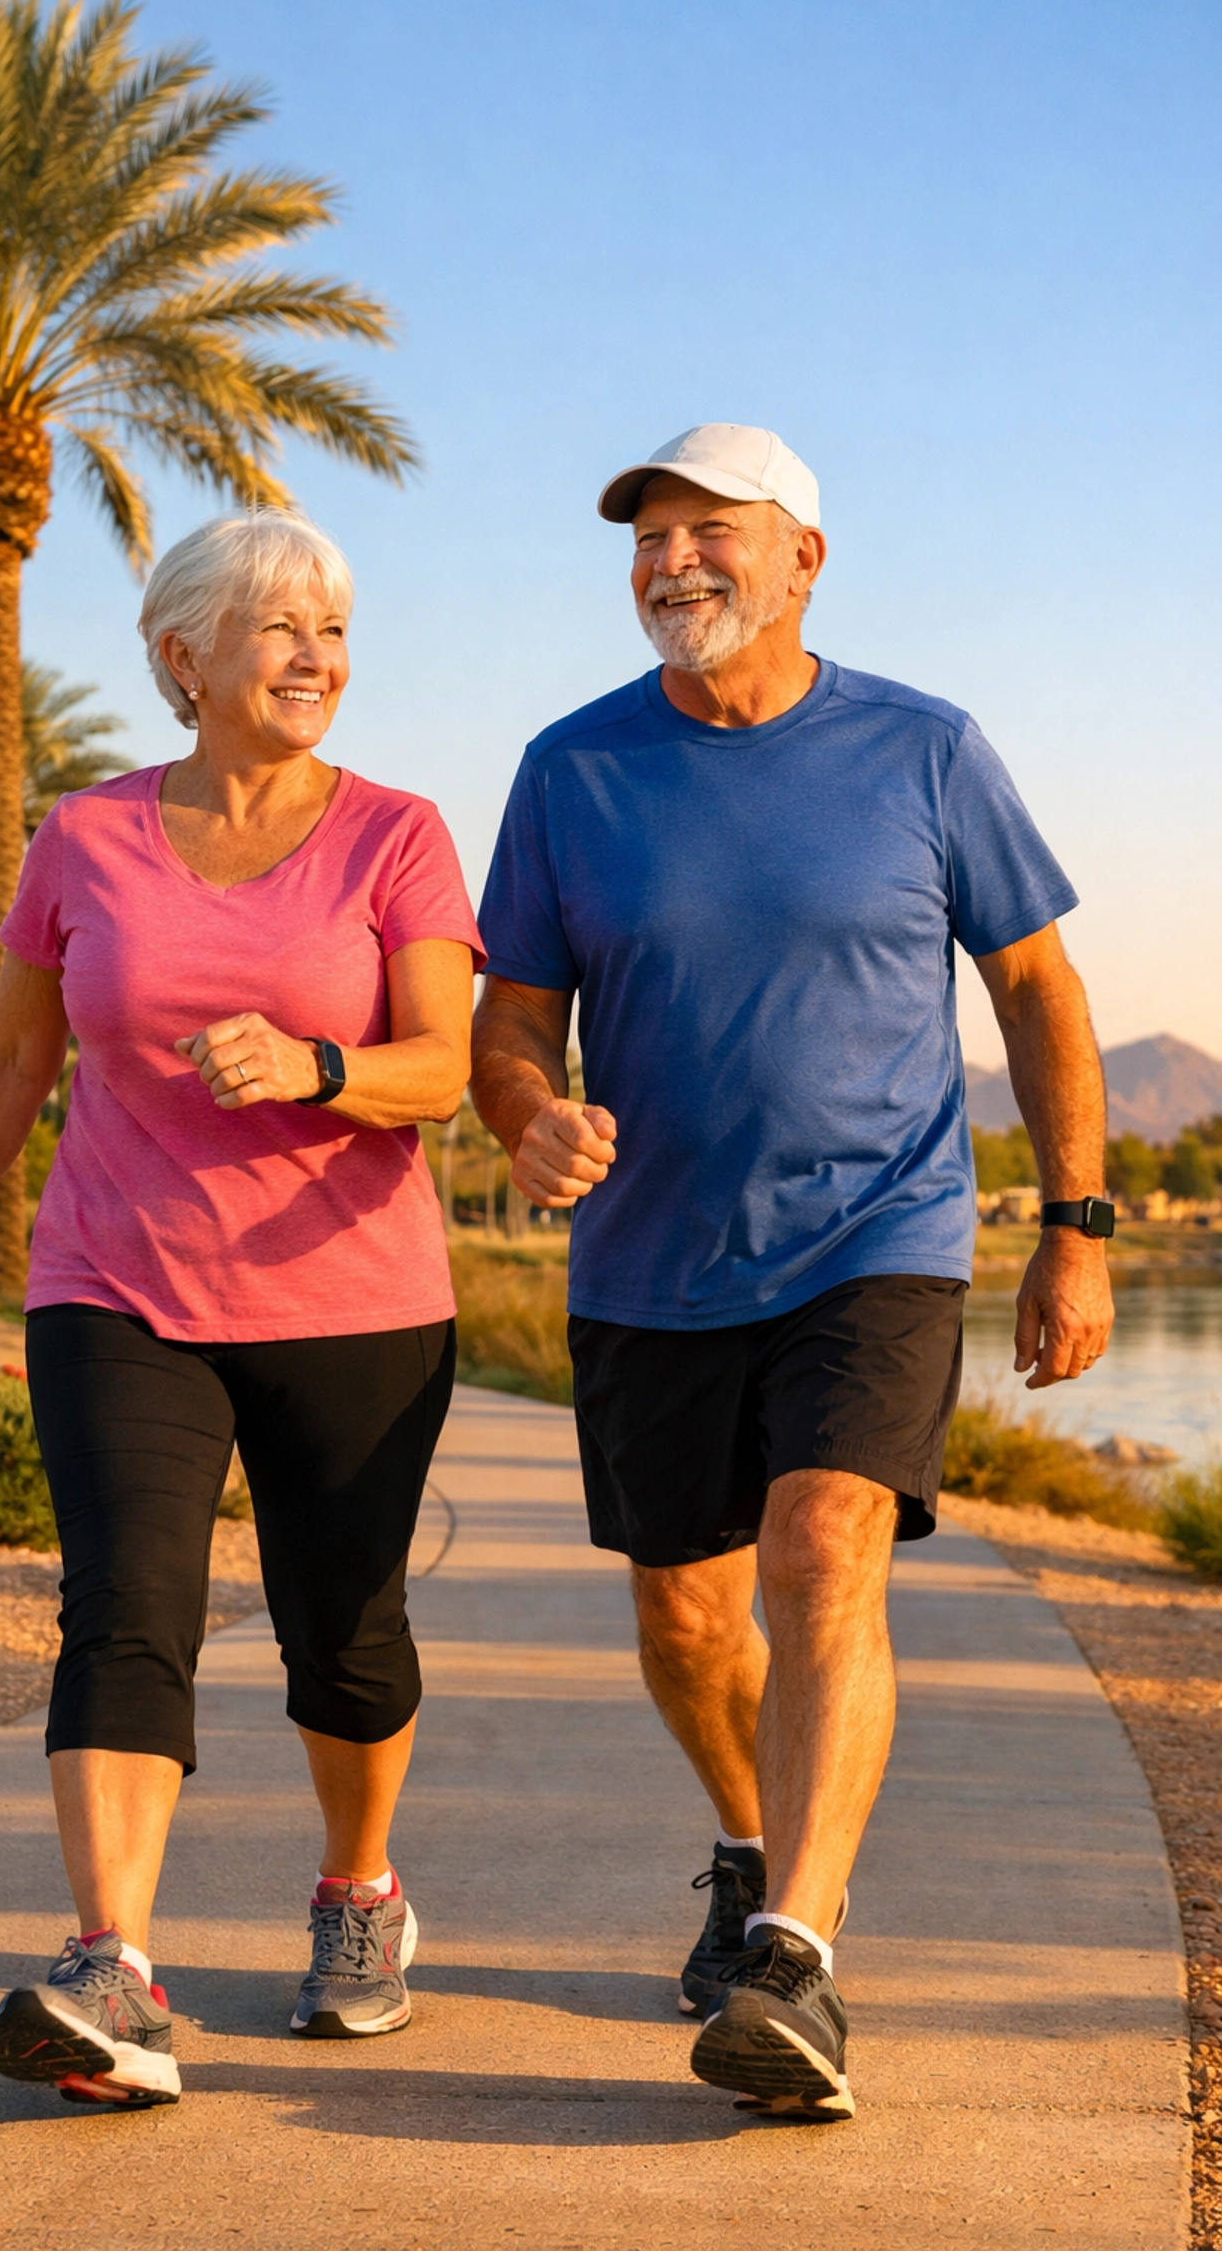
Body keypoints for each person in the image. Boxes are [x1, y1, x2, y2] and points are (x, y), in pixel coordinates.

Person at [470, 423, 1113, 2120]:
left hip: (878, 1237)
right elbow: (513, 1020)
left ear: (804, 556)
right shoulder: (570, 770)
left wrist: (1075, 1222)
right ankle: (753, 1843)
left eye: (709, 531)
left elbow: (1039, 990)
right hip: (650, 1262)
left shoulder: (924, 748)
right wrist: (528, 1115)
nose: (671, 561)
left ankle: (794, 1958)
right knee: (688, 1621)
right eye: (648, 537)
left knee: (823, 1543)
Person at [0, 511, 483, 2109]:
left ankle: (360, 1897)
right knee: (123, 1603)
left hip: (351, 1298)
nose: (317, 657)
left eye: (336, 631)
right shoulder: (85, 838)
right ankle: (114, 1969)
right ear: (185, 657)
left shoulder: (396, 835)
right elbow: (14, 1060)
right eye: (282, 627)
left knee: (342, 1632)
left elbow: (448, 1067)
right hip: (117, 1283)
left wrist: (320, 1068)